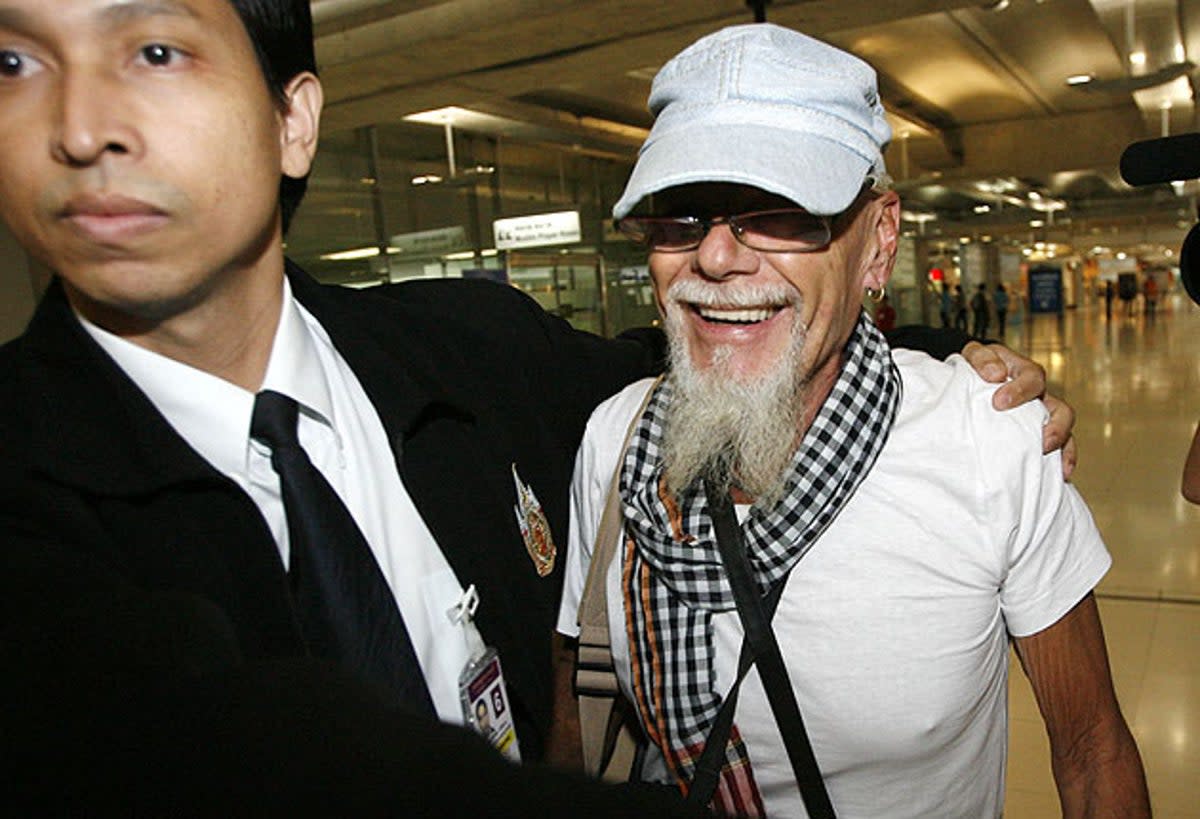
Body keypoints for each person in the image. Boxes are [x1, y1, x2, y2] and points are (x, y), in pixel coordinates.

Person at [0, 1, 1070, 810]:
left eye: (153, 51)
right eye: (12, 61)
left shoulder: (475, 354)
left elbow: (725, 346)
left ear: (293, 119)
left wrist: (941, 369)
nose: (82, 126)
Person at [556, 24, 1148, 818]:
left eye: (782, 211)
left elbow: (1091, 748)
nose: (719, 258)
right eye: (682, 215)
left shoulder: (990, 438)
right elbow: (576, 710)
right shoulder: (615, 443)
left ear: (879, 243)